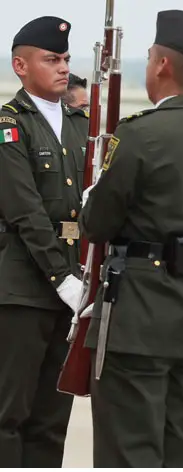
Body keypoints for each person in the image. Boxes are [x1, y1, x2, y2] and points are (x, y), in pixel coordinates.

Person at [78, 10, 183, 467]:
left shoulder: (140, 136)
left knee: (129, 448)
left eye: (150, 58)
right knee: (179, 445)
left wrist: (93, 194)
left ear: (163, 65)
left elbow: (97, 225)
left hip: (138, 320)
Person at [0, 16, 87, 468]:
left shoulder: (79, 123)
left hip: (70, 290)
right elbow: (25, 211)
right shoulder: (9, 125)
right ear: (20, 65)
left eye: (66, 59)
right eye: (51, 59)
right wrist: (61, 276)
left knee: (52, 420)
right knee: (9, 414)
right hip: (25, 291)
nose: (62, 67)